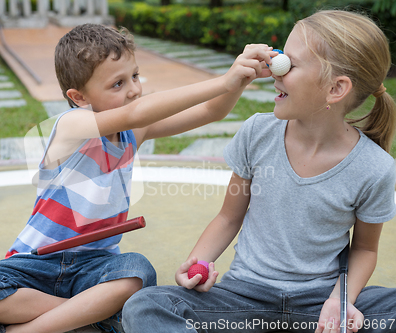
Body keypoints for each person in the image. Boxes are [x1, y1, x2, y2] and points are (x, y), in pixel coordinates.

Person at [0, 24, 276, 333]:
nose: (134, 89)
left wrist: (241, 79)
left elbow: (210, 113)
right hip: (37, 263)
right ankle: (92, 314)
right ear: (79, 97)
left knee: (138, 273)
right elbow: (136, 112)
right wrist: (224, 80)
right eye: (117, 84)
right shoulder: (71, 125)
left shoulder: (134, 132)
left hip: (96, 265)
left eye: (134, 75)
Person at [122, 10, 396, 333]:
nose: (273, 72)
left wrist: (341, 299)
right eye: (279, 57)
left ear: (336, 89)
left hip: (319, 306)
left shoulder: (375, 168)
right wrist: (198, 262)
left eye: (288, 64)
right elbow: (228, 217)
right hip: (243, 301)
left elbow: (364, 248)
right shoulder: (257, 133)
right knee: (145, 306)